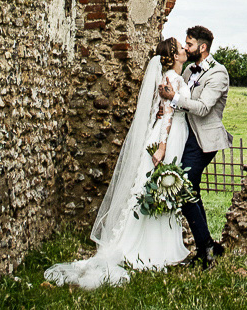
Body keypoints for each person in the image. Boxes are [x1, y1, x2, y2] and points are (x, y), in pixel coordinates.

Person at [43, 37, 191, 288]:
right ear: (174, 56)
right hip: (169, 136)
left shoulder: (172, 77)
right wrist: (163, 146)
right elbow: (166, 114)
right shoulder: (172, 79)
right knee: (157, 188)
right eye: (180, 48)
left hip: (169, 134)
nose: (185, 50)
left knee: (155, 188)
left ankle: (158, 241)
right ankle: (153, 247)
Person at [158, 25, 233, 268]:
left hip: (206, 140)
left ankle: (206, 249)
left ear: (202, 47)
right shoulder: (190, 70)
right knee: (192, 189)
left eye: (189, 44)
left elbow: (201, 107)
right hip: (187, 135)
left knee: (185, 187)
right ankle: (207, 244)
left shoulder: (218, 74)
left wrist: (174, 98)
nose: (186, 48)